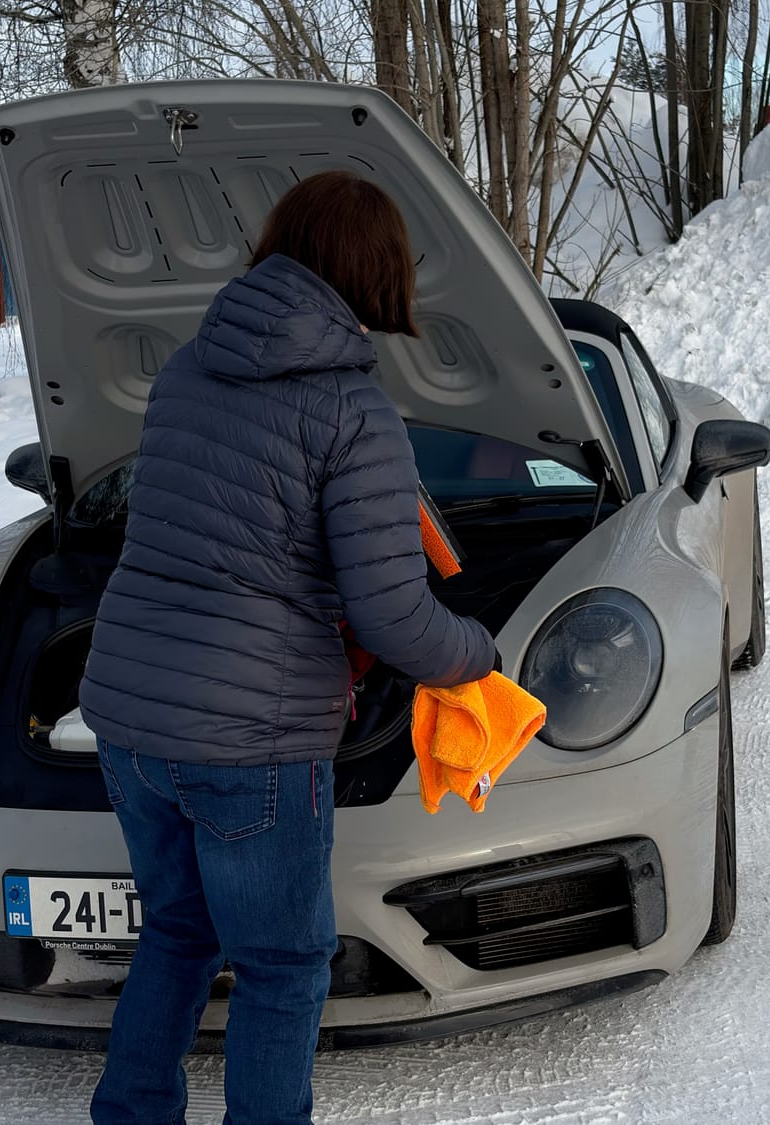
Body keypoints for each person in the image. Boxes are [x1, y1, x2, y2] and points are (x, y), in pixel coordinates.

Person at [77, 170, 498, 1125]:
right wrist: (475, 652)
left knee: (178, 932)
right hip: (251, 740)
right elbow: (394, 614)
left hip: (129, 718)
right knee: (280, 964)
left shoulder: (186, 369)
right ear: (376, 274)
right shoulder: (356, 413)